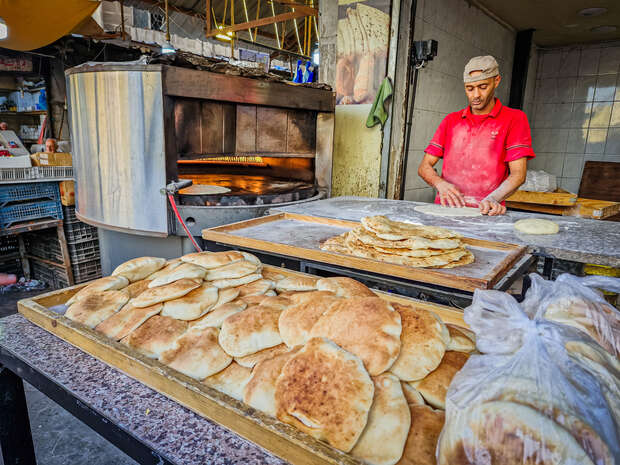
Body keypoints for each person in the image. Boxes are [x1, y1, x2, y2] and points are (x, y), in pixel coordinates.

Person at [417, 55, 535, 216]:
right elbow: (424, 167)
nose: (476, 95)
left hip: (486, 212)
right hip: (445, 211)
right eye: (470, 88)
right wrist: (440, 184)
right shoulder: (451, 121)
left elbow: (518, 174)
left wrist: (494, 199)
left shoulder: (514, 119)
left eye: (483, 86)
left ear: (497, 81)